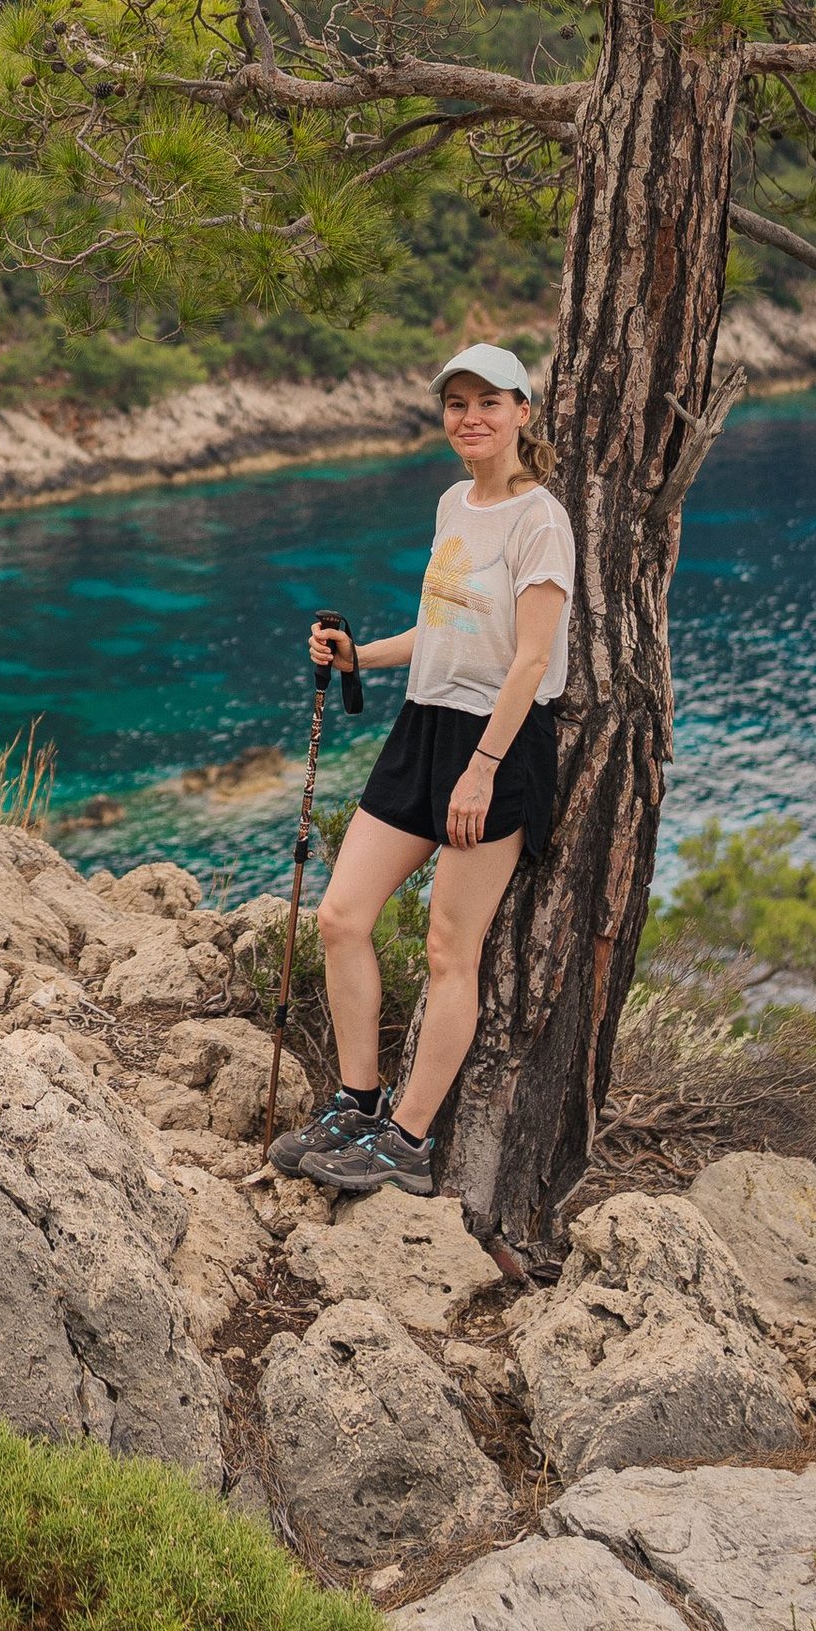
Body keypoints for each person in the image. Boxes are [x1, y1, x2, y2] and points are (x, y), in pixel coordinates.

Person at [272, 342, 571, 1200]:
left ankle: (406, 1143)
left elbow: (530, 662)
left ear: (522, 411)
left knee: (450, 950)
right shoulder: (453, 504)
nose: (469, 416)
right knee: (340, 916)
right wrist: (361, 654)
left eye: (488, 402)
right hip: (422, 730)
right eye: (456, 403)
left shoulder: (541, 520)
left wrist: (481, 773)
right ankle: (358, 1104)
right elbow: (440, 632)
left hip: (498, 743)